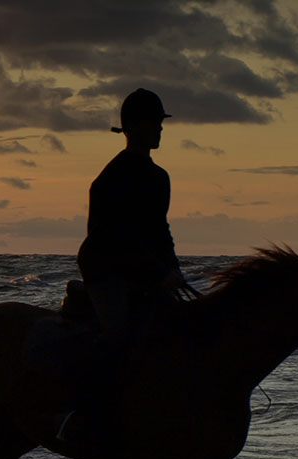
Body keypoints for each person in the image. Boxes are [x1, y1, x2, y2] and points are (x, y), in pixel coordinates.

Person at [59, 89, 197, 441]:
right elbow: (115, 241)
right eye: (154, 123)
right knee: (117, 335)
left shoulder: (159, 177)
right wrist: (157, 272)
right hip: (106, 272)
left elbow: (159, 230)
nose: (160, 130)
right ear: (133, 127)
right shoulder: (111, 179)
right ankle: (80, 414)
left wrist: (174, 268)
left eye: (160, 123)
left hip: (145, 273)